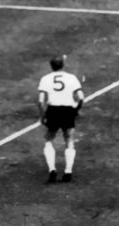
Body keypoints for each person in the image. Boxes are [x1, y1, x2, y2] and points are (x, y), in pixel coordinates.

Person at [37, 55, 84, 183]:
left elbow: (41, 101)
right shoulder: (71, 78)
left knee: (49, 139)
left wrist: (43, 116)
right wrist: (76, 110)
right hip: (68, 110)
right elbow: (81, 97)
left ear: (51, 66)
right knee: (69, 139)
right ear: (63, 65)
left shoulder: (45, 79)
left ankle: (52, 169)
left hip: (53, 110)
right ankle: (68, 171)